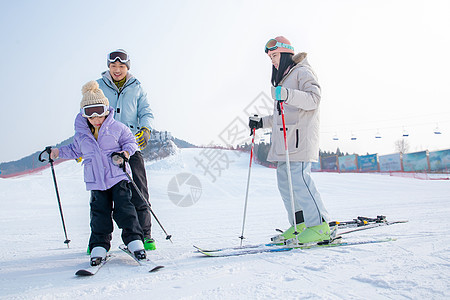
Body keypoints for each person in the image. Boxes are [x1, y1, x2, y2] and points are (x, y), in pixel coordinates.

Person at [50, 81, 147, 265]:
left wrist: (125, 153)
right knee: (99, 213)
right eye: (89, 113)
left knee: (125, 209)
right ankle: (99, 246)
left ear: (106, 109)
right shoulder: (82, 135)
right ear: (83, 114)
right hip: (96, 181)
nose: (95, 118)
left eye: (99, 111)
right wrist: (57, 153)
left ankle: (134, 242)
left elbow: (131, 142)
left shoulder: (117, 128)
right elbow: (74, 150)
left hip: (118, 177)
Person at [249, 36, 331, 244]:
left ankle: (320, 225)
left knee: (300, 180)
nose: (273, 61)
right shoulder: (285, 78)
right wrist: (261, 122)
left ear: (285, 54)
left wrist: (287, 94)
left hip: (300, 139)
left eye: (275, 56)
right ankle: (300, 225)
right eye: (270, 57)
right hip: (286, 142)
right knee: (286, 183)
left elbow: (314, 99)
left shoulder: (302, 71)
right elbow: (281, 115)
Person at [97, 49, 155, 250]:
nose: (117, 70)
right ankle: (100, 241)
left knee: (138, 190)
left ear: (127, 67)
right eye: (113, 66)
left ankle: (145, 235)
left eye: (121, 66)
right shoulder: (98, 87)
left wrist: (146, 129)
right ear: (109, 67)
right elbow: (87, 114)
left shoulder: (136, 87)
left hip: (131, 145)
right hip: (105, 148)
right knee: (103, 194)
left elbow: (145, 111)